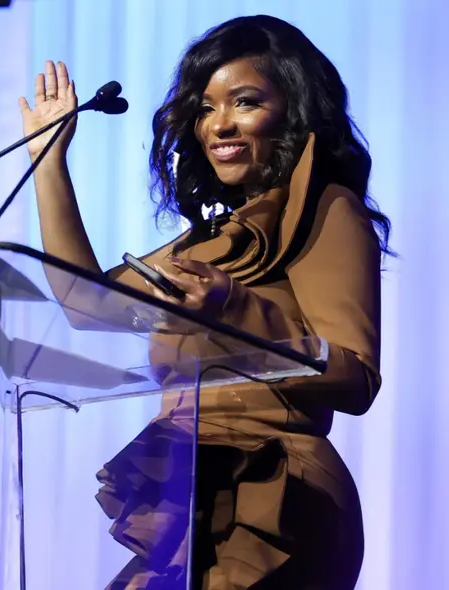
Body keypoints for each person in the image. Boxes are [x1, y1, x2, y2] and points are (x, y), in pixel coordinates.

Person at [20, 15, 389, 590]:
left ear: (292, 110)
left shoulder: (325, 211)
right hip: (191, 492)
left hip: (277, 498)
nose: (219, 124)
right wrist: (48, 160)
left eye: (244, 102)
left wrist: (241, 315)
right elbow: (84, 304)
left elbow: (356, 378)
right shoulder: (210, 243)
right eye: (204, 108)